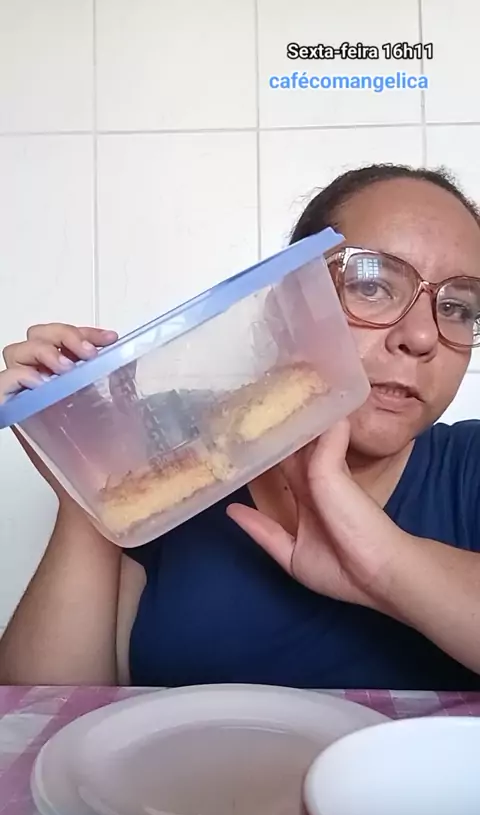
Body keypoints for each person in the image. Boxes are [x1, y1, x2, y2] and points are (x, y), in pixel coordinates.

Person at [1, 163, 480, 691]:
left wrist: (382, 562)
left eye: (458, 307)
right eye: (371, 284)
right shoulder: (168, 453)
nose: (422, 336)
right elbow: (46, 711)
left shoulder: (470, 467)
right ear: (286, 307)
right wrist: (90, 491)